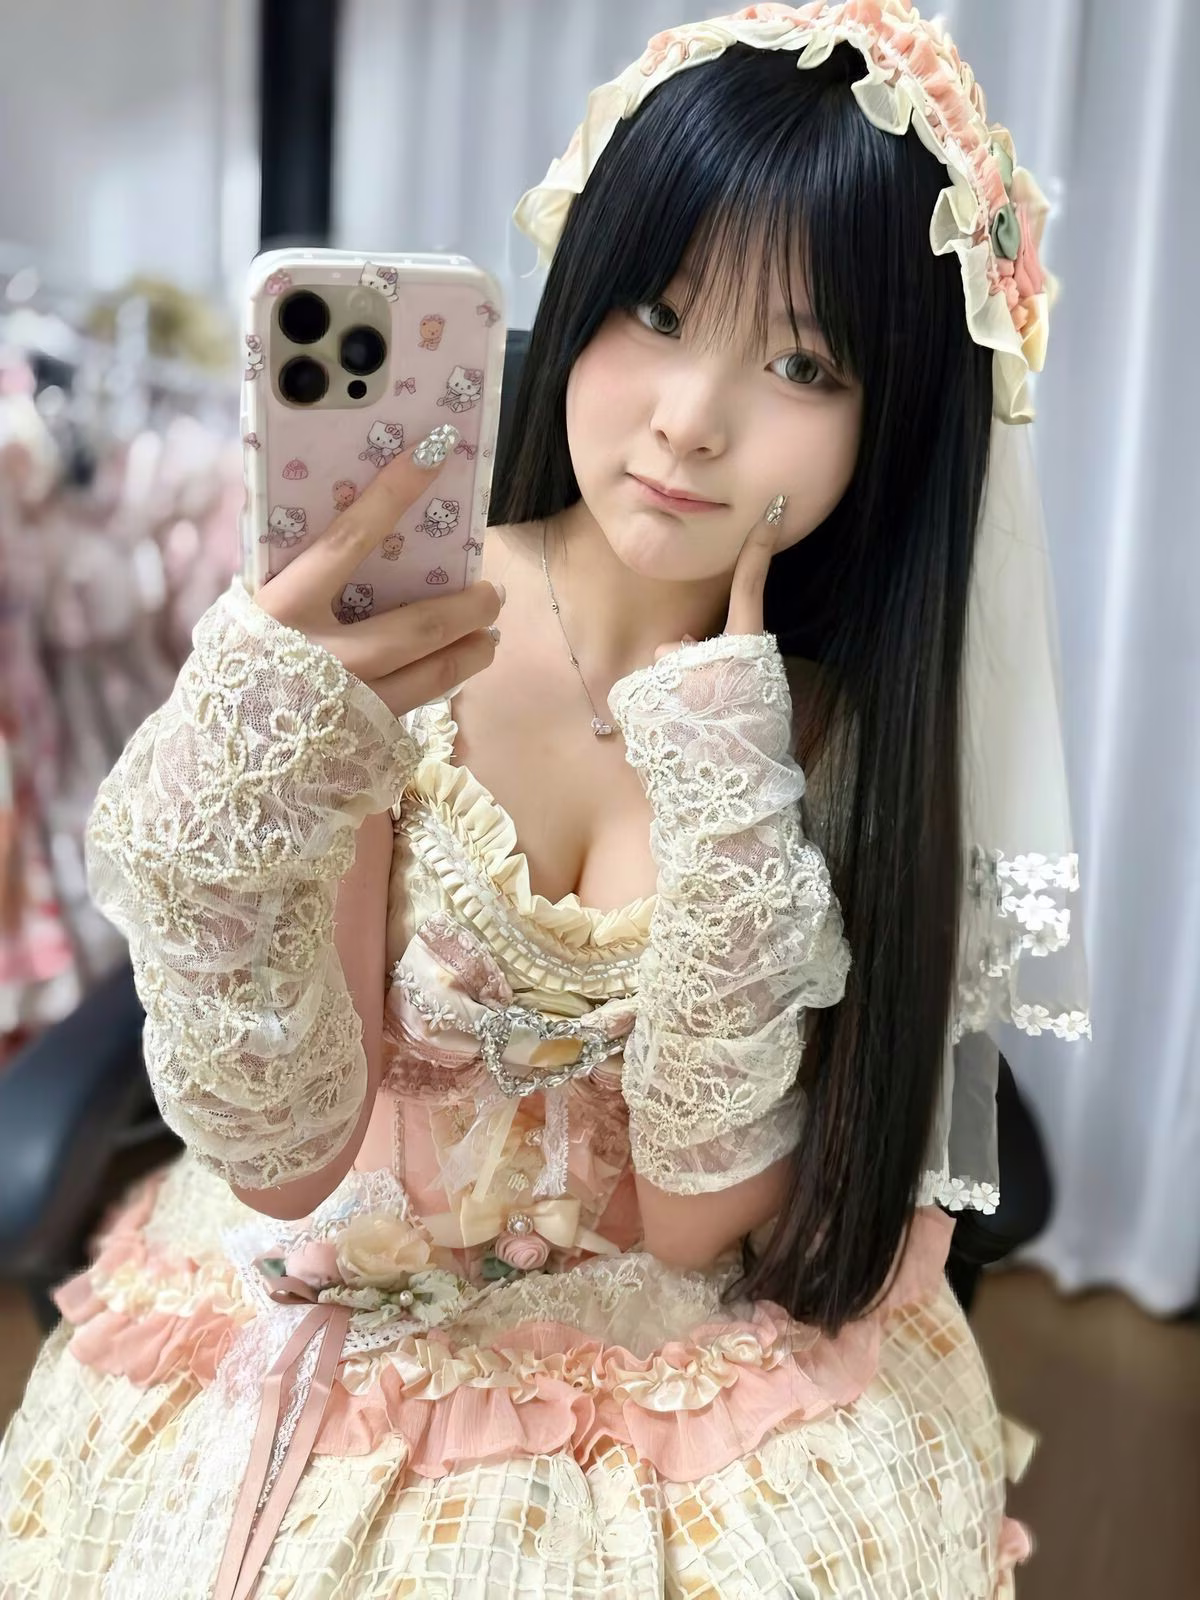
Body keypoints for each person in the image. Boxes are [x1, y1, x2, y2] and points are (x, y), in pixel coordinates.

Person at [0, 4, 1089, 1595]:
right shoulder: (410, 633)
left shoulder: (831, 733)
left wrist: (731, 781)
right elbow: (291, 1157)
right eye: (659, 309)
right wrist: (249, 787)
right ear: (581, 291)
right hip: (345, 1321)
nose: (690, 419)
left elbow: (697, 1231)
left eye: (801, 361)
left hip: (691, 1372)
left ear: (891, 418)